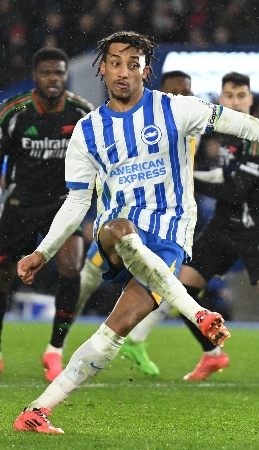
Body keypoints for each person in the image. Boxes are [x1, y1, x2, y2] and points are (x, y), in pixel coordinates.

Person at [12, 31, 259, 434]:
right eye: (115, 62)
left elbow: (248, 126)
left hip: (169, 235)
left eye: (133, 64)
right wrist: (43, 253)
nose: (123, 71)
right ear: (101, 68)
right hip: (117, 230)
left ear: (145, 70)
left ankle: (37, 411)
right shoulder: (88, 131)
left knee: (117, 328)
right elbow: (78, 201)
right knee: (119, 228)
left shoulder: (178, 109)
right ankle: (197, 312)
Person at [120, 72, 259, 385]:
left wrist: (188, 178)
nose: (234, 101)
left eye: (240, 96)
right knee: (182, 292)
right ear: (221, 100)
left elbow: (236, 189)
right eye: (229, 96)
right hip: (223, 226)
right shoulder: (220, 132)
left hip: (256, 226)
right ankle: (212, 355)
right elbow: (218, 175)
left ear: (250, 100)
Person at [0, 47, 94, 383]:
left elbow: (98, 166)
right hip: (19, 205)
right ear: (35, 76)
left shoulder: (82, 113)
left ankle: (54, 351)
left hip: (63, 205)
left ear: (66, 75)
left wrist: (89, 212)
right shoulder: (13, 113)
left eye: (59, 72)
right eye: (47, 73)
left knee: (72, 269)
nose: (53, 79)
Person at [74, 69, 196, 376]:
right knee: (87, 280)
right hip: (130, 217)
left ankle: (135, 339)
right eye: (175, 92)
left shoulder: (191, 124)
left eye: (187, 92)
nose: (182, 98)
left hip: (168, 220)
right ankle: (57, 339)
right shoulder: (146, 123)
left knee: (169, 280)